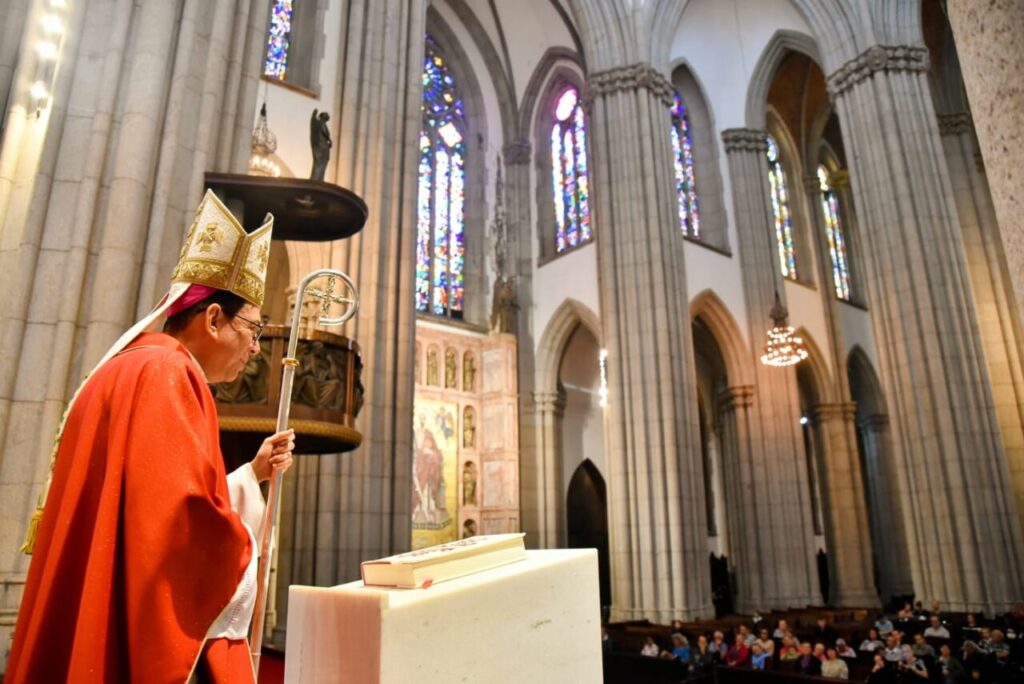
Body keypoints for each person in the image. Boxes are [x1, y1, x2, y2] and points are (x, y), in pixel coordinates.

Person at [5, 190, 293, 683]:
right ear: (214, 318)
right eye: (254, 329)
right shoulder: (170, 375)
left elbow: (150, 506)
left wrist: (250, 476)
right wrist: (243, 544)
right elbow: (179, 532)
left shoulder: (127, 367)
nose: (255, 348)